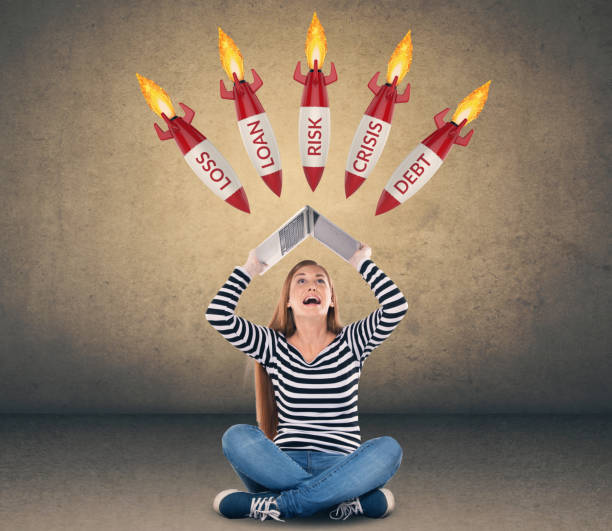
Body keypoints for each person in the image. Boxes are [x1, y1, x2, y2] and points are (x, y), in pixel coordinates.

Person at [205, 243, 408, 521]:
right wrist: (250, 269)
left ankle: (281, 504)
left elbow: (396, 306)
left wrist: (362, 262)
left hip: (342, 465)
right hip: (280, 465)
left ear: (332, 299)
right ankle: (337, 500)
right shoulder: (271, 345)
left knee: (388, 449)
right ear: (288, 300)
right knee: (236, 436)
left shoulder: (354, 340)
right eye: (301, 281)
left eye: (320, 281)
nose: (311, 286)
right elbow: (218, 314)